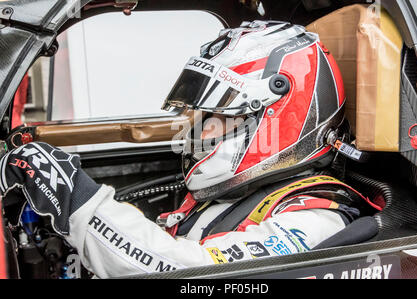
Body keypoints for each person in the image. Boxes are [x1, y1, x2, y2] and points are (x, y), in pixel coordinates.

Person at [0, 21, 382, 278]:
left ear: (274, 118)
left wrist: (73, 196)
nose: (196, 131)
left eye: (213, 116)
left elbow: (182, 270)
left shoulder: (315, 219)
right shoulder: (235, 191)